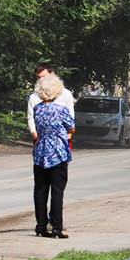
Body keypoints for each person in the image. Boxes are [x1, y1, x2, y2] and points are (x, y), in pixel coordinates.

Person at [31, 72, 74, 239]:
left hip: (40, 153)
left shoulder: (37, 109)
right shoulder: (60, 110)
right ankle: (57, 227)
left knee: (40, 191)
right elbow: (71, 127)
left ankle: (41, 226)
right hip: (58, 154)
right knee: (57, 191)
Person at [27, 63, 74, 142]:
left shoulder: (66, 94)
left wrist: (68, 137)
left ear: (52, 74)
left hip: (62, 138)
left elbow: (71, 117)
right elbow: (31, 118)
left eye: (44, 76)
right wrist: (35, 136)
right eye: (38, 77)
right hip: (41, 139)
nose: (41, 79)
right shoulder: (34, 97)